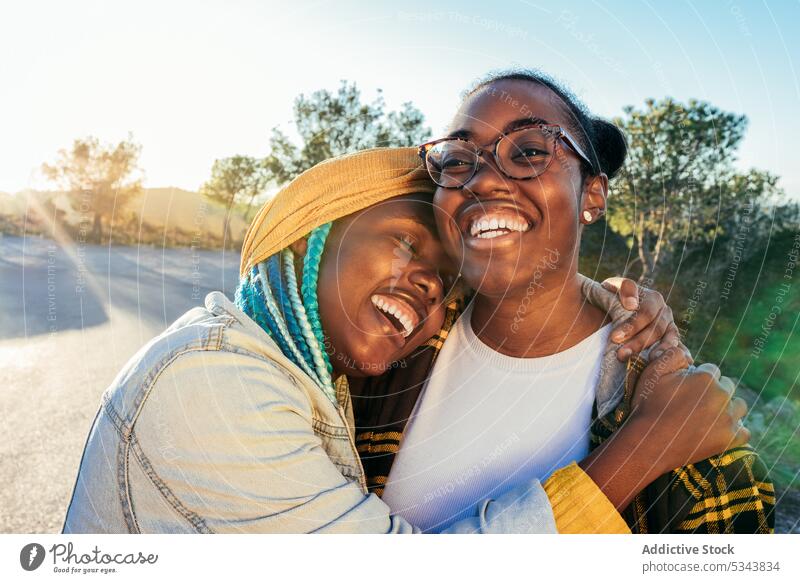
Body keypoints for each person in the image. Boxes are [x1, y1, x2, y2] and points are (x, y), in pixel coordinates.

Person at [62, 147, 743, 534]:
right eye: (404, 241)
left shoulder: (311, 369)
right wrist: (645, 448)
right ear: (313, 241)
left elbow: (521, 296)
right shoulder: (214, 381)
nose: (427, 288)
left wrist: (623, 309)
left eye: (446, 282)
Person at [354, 71, 775, 534]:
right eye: (458, 161)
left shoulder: (685, 420)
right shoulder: (381, 351)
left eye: (531, 152)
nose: (483, 182)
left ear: (592, 195)